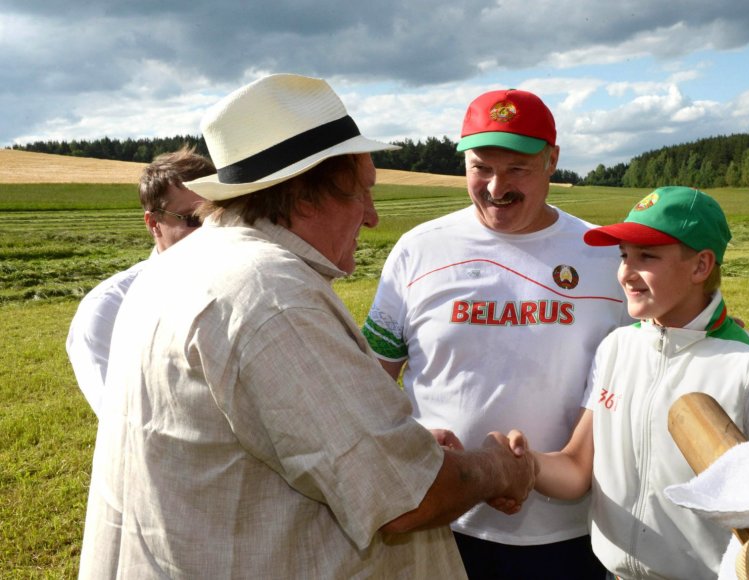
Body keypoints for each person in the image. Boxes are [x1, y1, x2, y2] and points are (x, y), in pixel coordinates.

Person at [78, 73, 536, 579]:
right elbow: (407, 499)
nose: (373, 217)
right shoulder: (272, 295)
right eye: (361, 192)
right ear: (305, 194)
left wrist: (403, 442)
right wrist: (496, 466)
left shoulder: (181, 266)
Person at [362, 88, 630, 578]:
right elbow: (369, 379)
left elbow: (645, 372)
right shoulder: (418, 250)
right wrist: (413, 438)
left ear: (552, 160)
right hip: (439, 524)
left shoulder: (604, 255)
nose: (494, 186)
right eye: (481, 167)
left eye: (516, 170)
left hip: (572, 530)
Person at [513, 186, 749, 579]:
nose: (626, 272)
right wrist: (521, 463)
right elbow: (575, 468)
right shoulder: (617, 348)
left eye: (647, 256)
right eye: (623, 256)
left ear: (701, 266)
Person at [65, 146, 214, 418]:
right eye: (193, 220)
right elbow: (125, 421)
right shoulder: (107, 310)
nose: (211, 232)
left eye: (217, 217)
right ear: (153, 223)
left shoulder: (247, 289)